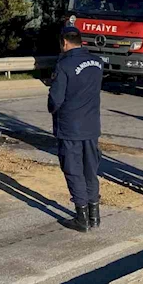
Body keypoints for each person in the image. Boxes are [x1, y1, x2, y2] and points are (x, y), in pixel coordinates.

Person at [47, 26, 104, 232]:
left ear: (64, 42)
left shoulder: (64, 64)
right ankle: (94, 214)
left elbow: (56, 99)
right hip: (91, 126)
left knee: (73, 170)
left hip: (70, 126)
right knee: (90, 170)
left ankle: (81, 217)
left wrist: (52, 109)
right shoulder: (97, 63)